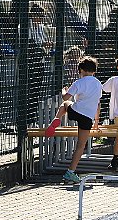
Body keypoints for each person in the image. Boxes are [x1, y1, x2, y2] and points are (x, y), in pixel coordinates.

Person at [42, 56, 102, 185]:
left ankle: (57, 119)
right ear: (94, 71)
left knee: (65, 104)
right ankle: (70, 172)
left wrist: (64, 90)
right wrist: (96, 121)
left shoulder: (78, 82)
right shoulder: (98, 84)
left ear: (81, 70)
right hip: (88, 117)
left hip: (76, 111)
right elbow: (98, 103)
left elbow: (66, 98)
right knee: (80, 146)